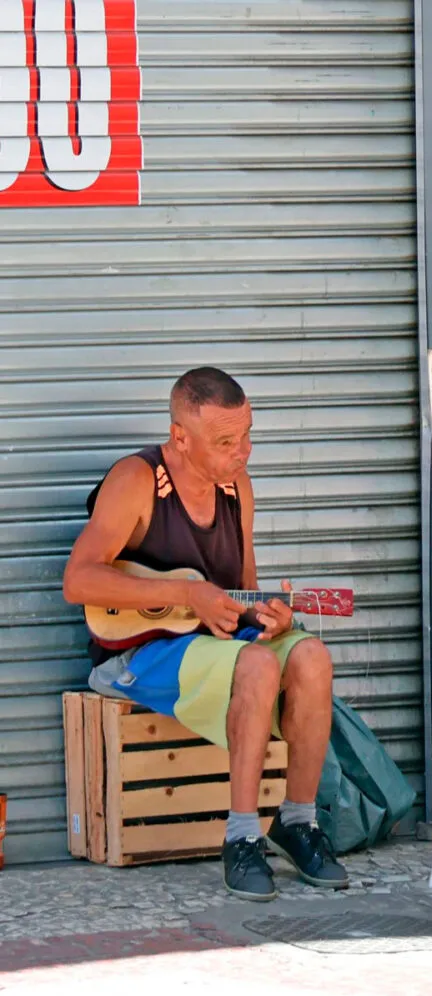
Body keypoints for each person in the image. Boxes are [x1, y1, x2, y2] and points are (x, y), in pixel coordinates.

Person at [63, 366, 348, 901]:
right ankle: (242, 837)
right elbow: (77, 580)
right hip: (136, 653)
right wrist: (186, 594)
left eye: (247, 436)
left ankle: (297, 820)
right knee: (257, 664)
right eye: (225, 442)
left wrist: (270, 618)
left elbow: (245, 593)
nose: (243, 453)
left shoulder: (237, 488)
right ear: (180, 438)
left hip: (212, 646)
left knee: (310, 656)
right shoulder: (137, 480)